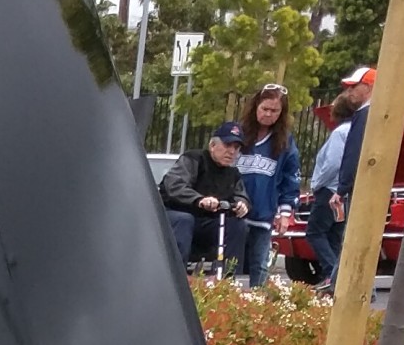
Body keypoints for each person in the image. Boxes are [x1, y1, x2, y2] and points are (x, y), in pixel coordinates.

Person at [305, 65, 374, 294]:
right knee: (336, 235)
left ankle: (334, 277)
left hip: (332, 190)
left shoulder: (358, 120)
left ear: (369, 87)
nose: (349, 91)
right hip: (347, 189)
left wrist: (322, 185)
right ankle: (338, 279)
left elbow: (339, 161)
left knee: (316, 231)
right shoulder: (371, 118)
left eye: (354, 87)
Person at [158, 122, 248, 278]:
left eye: (236, 147)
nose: (232, 151)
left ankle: (229, 280)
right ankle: (175, 277)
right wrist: (199, 199)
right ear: (212, 145)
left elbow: (241, 195)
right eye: (227, 145)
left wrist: (242, 204)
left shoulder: (233, 173)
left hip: (207, 222)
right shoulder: (193, 159)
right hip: (175, 216)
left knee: (238, 225)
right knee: (184, 219)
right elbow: (174, 185)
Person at [232, 82, 300, 287]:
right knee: (230, 261)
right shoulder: (237, 134)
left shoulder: (284, 142)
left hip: (263, 212)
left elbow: (291, 179)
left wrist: (285, 214)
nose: (268, 114)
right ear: (255, 107)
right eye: (265, 109)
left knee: (259, 263)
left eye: (275, 111)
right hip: (234, 211)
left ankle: (257, 303)